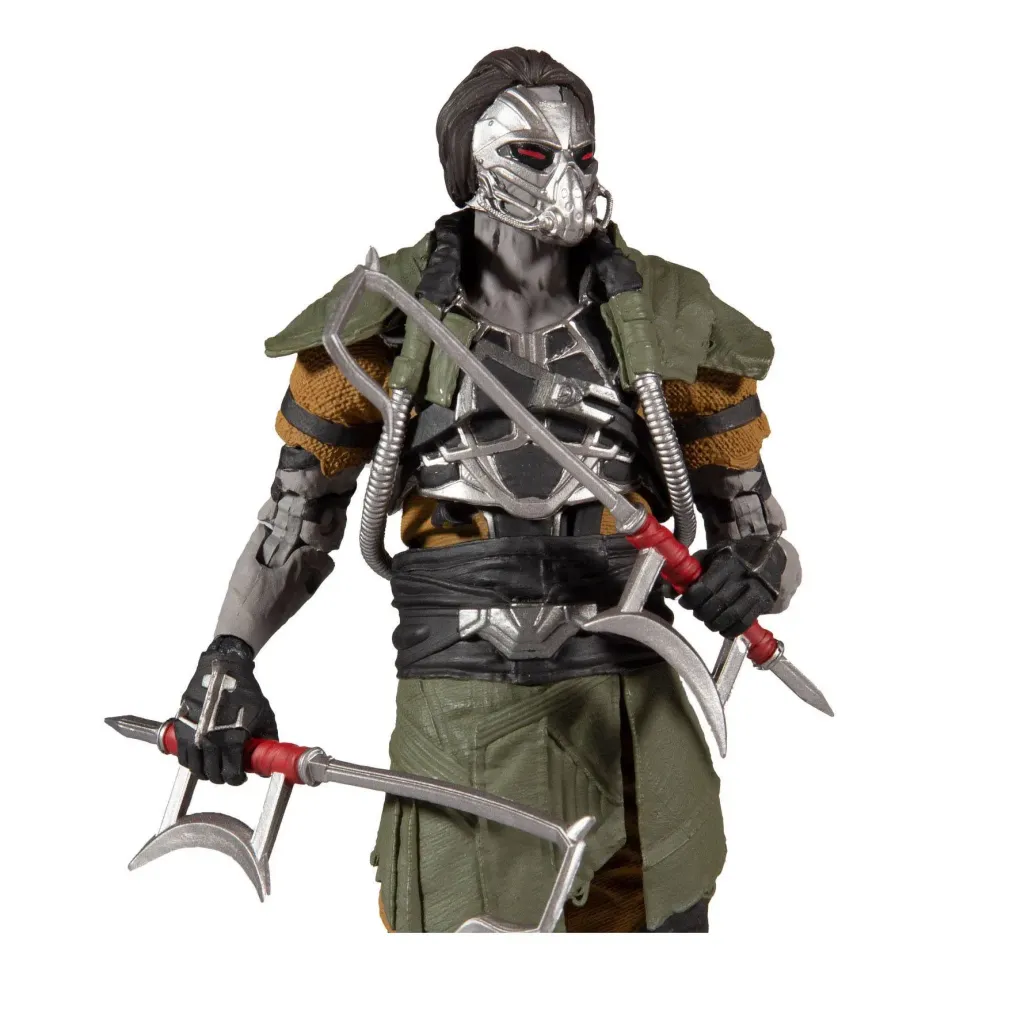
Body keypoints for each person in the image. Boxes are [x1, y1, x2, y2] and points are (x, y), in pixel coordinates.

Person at [172, 47, 801, 932]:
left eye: (583, 156)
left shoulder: (668, 314)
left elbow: (758, 529)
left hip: (634, 711)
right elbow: (294, 524)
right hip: (460, 707)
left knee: (658, 942)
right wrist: (228, 658)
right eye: (535, 155)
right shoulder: (383, 316)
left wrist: (753, 573)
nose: (569, 179)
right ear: (472, 162)